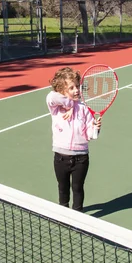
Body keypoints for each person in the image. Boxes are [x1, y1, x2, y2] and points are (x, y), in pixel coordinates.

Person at [46, 67, 101, 211]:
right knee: (63, 188)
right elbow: (51, 97)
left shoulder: (84, 108)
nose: (76, 90)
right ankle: (63, 214)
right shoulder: (57, 108)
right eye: (71, 88)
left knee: (77, 188)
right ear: (61, 90)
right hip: (60, 158)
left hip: (81, 158)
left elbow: (90, 135)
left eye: (77, 86)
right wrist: (69, 104)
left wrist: (95, 128)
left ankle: (77, 215)